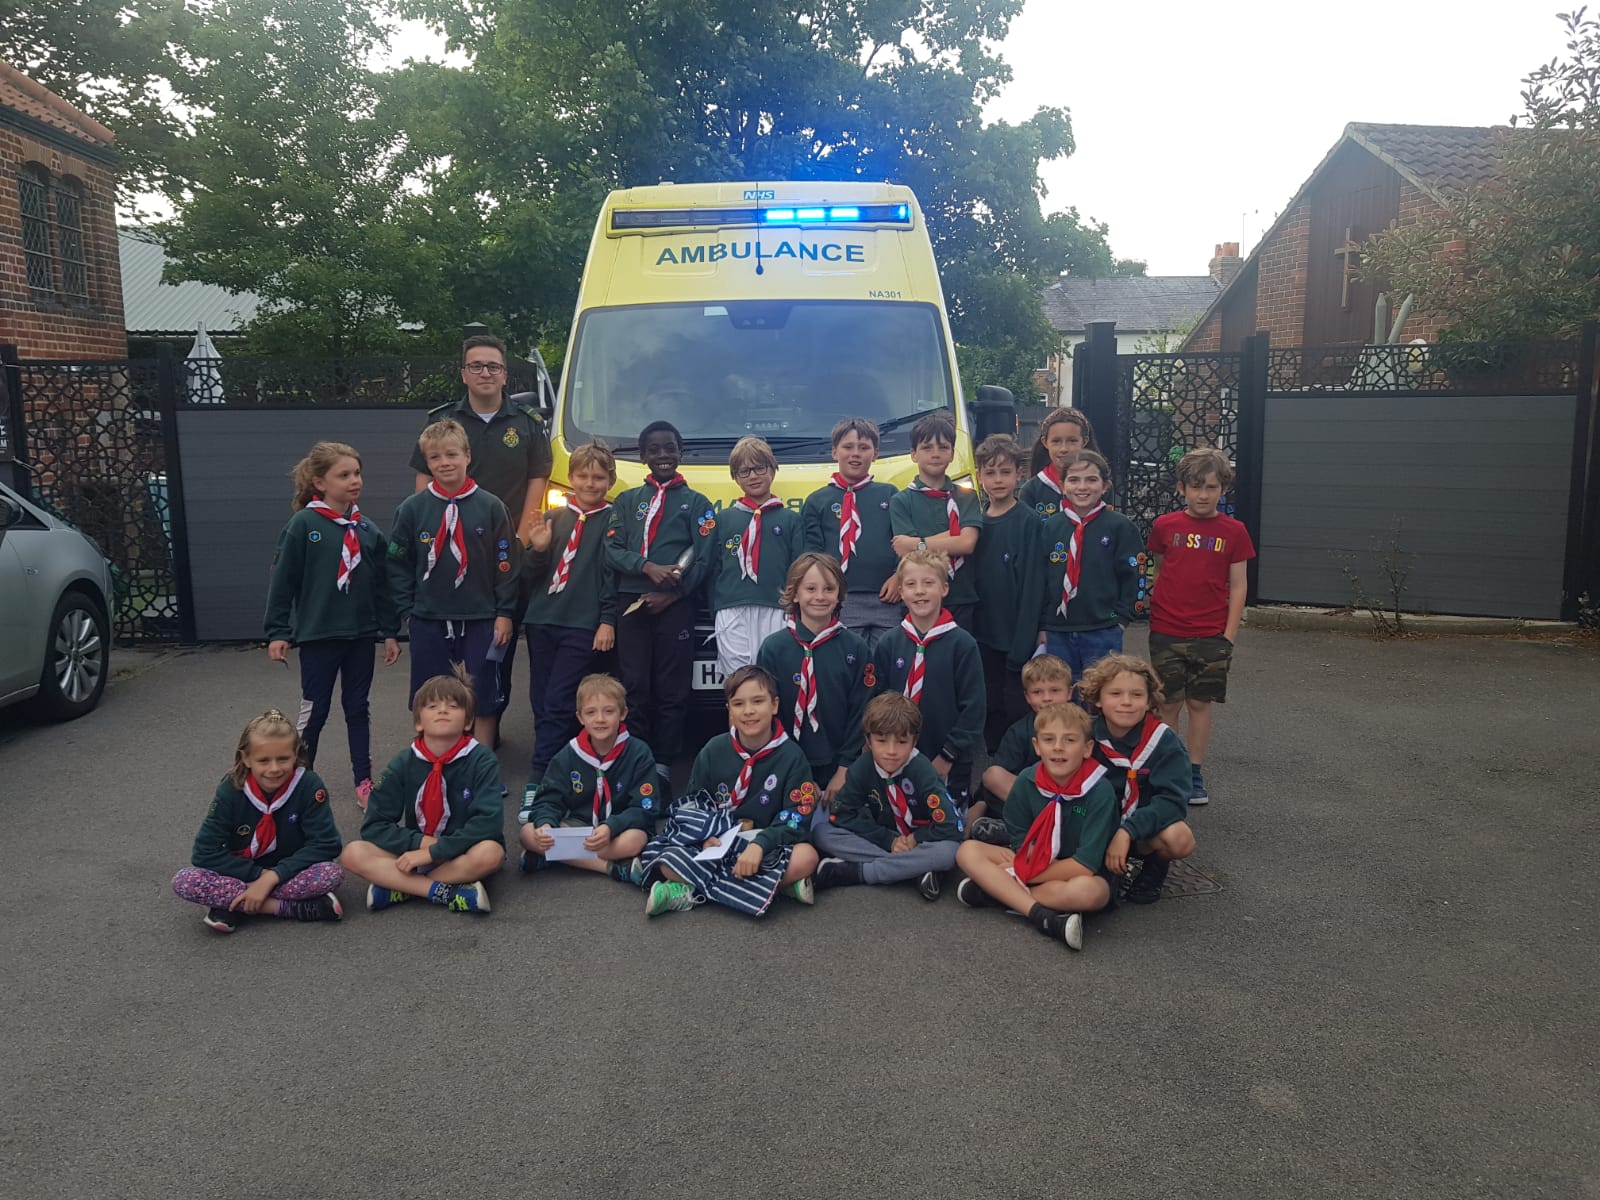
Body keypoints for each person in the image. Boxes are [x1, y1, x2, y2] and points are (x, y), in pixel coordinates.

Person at [412, 334, 553, 734]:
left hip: (503, 555)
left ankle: (486, 733)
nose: (485, 373)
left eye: (493, 366)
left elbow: (537, 481)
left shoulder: (527, 424)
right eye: (477, 366)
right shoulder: (440, 423)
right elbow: (424, 483)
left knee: (495, 648)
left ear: (505, 374)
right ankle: (445, 734)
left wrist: (522, 541)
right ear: (464, 373)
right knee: (443, 650)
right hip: (451, 550)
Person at [263, 441, 400, 808]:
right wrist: (278, 631)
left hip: (359, 636)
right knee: (316, 709)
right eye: (344, 475)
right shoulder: (303, 525)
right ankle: (300, 782)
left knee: (358, 708)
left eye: (357, 473)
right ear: (320, 482)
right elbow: (283, 581)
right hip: (319, 636)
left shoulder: (367, 530)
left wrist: (389, 632)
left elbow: (382, 587)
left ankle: (364, 781)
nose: (354, 481)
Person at [637, 666, 821, 917]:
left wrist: (760, 845)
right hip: (717, 842)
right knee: (665, 856)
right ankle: (775, 887)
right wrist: (704, 837)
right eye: (738, 704)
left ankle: (689, 891)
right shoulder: (714, 749)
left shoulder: (792, 757)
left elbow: (797, 817)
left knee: (806, 857)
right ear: (729, 711)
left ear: (775, 705)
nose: (748, 711)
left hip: (766, 843)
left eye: (758, 701)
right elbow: (694, 803)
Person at [388, 418, 520, 752]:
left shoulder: (491, 507)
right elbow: (398, 563)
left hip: (482, 618)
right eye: (435, 458)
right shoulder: (412, 509)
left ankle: (482, 767)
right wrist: (408, 609)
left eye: (451, 454)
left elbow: (506, 565)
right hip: (429, 618)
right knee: (429, 693)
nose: (444, 463)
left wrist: (504, 613)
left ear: (467, 456)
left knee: (483, 694)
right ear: (427, 462)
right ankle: (431, 763)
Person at [605, 420, 716, 791]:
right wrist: (646, 568)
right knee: (635, 685)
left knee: (672, 688)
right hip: (631, 605)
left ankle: (663, 766)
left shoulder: (696, 504)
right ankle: (636, 759)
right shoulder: (626, 501)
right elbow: (612, 549)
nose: (663, 456)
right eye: (655, 450)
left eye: (670, 448)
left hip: (675, 606)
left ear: (680, 452)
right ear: (643, 456)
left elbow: (704, 559)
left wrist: (672, 594)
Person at [954, 703, 1117, 951]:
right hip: (1035, 864)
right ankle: (1043, 916)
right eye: (1049, 739)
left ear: (1087, 749)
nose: (1058, 747)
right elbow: (1022, 843)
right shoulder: (1027, 783)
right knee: (967, 851)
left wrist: (1020, 874)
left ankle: (997, 891)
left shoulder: (1100, 792)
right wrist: (1025, 865)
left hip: (1079, 872)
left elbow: (1085, 864)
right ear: (1037, 746)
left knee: (1089, 893)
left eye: (1070, 740)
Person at [341, 668, 505, 914]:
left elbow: (488, 824)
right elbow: (374, 825)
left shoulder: (482, 759)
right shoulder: (404, 762)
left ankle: (401, 887)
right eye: (432, 706)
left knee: (491, 853)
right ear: (418, 721)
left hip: (461, 851)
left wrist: (436, 851)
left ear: (468, 721)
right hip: (417, 850)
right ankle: (446, 892)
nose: (442, 710)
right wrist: (421, 844)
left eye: (453, 706)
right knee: (353, 854)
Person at [1145, 446, 1254, 804]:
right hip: (1166, 630)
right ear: (1181, 489)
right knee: (1167, 705)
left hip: (1210, 634)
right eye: (1196, 487)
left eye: (1211, 487)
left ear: (1223, 489)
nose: (1203, 495)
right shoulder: (1165, 527)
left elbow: (1239, 586)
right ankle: (1167, 767)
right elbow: (1160, 569)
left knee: (1199, 703)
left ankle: (1194, 771)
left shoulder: (1234, 532)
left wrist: (1228, 635)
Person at [172, 710, 344, 933]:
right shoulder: (231, 791)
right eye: (263, 760)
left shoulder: (309, 786)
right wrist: (258, 877)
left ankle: (231, 906)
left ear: (295, 754)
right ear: (246, 758)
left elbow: (326, 844)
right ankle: (286, 908)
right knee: (185, 881)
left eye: (283, 759)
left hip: (289, 872)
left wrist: (273, 877)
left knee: (331, 874)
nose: (274, 769)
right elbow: (204, 852)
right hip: (243, 873)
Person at [520, 441, 618, 786]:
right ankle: (560, 767)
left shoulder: (613, 521)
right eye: (582, 476)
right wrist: (539, 550)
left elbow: (612, 576)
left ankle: (540, 775)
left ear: (610, 480)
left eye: (598, 477)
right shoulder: (553, 518)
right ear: (572, 478)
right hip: (542, 619)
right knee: (541, 699)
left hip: (581, 623)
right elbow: (528, 576)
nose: (590, 484)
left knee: (560, 700)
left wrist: (607, 619)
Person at [811, 693, 960, 901]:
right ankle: (915, 869)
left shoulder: (922, 771)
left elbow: (952, 826)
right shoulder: (861, 768)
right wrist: (887, 840)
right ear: (868, 741)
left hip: (924, 840)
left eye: (901, 742)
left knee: (950, 852)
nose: (891, 752)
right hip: (885, 837)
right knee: (822, 832)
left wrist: (916, 839)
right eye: (881, 741)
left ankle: (859, 872)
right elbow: (842, 814)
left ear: (914, 741)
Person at [871, 550, 985, 815]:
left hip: (946, 761)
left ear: (944, 588)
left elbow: (974, 709)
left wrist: (947, 756)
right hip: (895, 756)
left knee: (944, 829)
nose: (920, 592)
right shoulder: (889, 642)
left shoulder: (963, 644)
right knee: (898, 821)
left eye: (928, 583)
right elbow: (877, 701)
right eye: (911, 585)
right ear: (901, 590)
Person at [1080, 654, 1197, 905]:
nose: (1126, 703)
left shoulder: (1164, 742)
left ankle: (1154, 868)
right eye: (1115, 694)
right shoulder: (1083, 735)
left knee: (1179, 837)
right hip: (1089, 825)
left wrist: (1127, 831)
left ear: (1148, 702)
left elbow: (1172, 802)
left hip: (1139, 832)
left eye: (1136, 695)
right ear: (1097, 699)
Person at [756, 552, 870, 806]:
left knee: (835, 829)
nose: (820, 596)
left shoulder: (856, 648)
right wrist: (788, 765)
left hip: (838, 764)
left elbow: (861, 712)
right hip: (787, 762)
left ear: (840, 594)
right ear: (795, 594)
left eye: (829, 589)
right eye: (810, 588)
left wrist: (845, 768)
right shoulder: (773, 648)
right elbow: (766, 713)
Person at [517, 673, 657, 879]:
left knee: (636, 840)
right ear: (580, 718)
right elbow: (548, 801)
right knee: (528, 834)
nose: (600, 719)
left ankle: (552, 857)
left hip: (619, 830)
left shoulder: (639, 753)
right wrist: (546, 824)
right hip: (578, 826)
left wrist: (611, 826)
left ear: (623, 713)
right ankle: (612, 868)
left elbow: (645, 807)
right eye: (591, 712)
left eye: (609, 711)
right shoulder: (568, 754)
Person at [1035, 449, 1141, 691]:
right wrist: (1042, 624)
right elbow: (1041, 579)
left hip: (1102, 629)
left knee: (1099, 695)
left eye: (1091, 480)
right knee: (1061, 697)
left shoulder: (1120, 527)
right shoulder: (1050, 527)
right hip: (1057, 631)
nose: (1082, 487)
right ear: (1062, 485)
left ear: (1105, 486)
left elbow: (1137, 575)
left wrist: (1121, 619)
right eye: (1074, 480)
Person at [970, 433, 1044, 751]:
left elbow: (1033, 587)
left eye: (1005, 472)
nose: (998, 480)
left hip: (1015, 639)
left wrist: (1023, 642)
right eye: (990, 472)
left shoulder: (1029, 523)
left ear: (1019, 474)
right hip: (981, 636)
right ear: (979, 477)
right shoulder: (974, 523)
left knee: (1016, 709)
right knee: (989, 708)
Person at [800, 417, 902, 647]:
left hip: (887, 598)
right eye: (848, 447)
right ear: (834, 452)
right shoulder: (817, 501)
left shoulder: (890, 495)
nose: (855, 454)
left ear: (875, 453)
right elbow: (811, 555)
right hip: (841, 600)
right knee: (847, 663)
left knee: (885, 665)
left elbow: (904, 542)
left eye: (864, 448)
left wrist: (899, 577)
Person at [710, 437, 799, 673]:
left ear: (772, 469)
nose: (753, 476)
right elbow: (712, 566)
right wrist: (717, 604)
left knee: (774, 675)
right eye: (745, 471)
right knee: (738, 678)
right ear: (735, 477)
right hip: (732, 608)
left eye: (760, 468)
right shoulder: (724, 519)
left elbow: (799, 567)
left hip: (776, 606)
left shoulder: (790, 519)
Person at [889, 410, 982, 632]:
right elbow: (908, 554)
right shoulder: (901, 500)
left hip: (962, 596)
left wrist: (919, 543)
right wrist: (953, 537)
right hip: (919, 597)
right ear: (913, 454)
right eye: (927, 447)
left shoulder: (966, 496)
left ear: (951, 454)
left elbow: (968, 543)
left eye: (943, 447)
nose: (935, 454)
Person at [972, 653, 1072, 826]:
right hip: (1032, 801)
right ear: (1027, 697)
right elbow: (998, 774)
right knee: (992, 775)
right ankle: (1030, 823)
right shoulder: (1018, 732)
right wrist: (980, 802)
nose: (1047, 698)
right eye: (1037, 692)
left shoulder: (1082, 725)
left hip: (1072, 799)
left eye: (1055, 690)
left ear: (1069, 692)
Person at [1019, 407, 1099, 519]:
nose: (1064, 449)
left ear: (1084, 441)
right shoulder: (1031, 490)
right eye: (1056, 441)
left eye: (1072, 441)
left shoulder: (1098, 485)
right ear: (1045, 442)